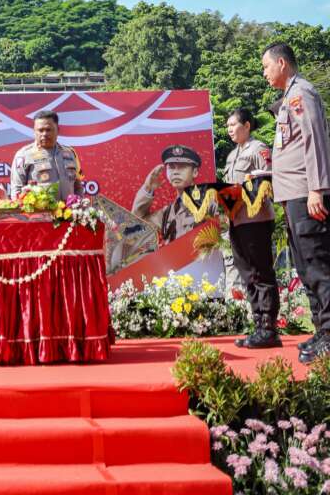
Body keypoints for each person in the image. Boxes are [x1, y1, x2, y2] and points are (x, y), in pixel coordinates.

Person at [263, 41, 330, 364]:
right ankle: (322, 331)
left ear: (281, 63)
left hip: (307, 194)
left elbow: (315, 139)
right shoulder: (288, 97)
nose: (264, 73)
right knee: (304, 268)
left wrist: (318, 188)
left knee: (318, 266)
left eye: (266, 66)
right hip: (292, 197)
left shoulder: (300, 93)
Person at [222, 109, 281, 349]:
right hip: (236, 221)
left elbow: (268, 177)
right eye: (227, 125)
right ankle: (258, 325)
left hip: (255, 219)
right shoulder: (231, 155)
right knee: (247, 273)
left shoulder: (258, 149)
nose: (229, 129)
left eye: (233, 124)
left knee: (260, 271)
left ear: (247, 125)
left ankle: (269, 327)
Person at [132, 144, 212, 243]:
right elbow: (136, 227)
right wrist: (147, 189)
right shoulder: (167, 213)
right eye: (171, 167)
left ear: (195, 172)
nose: (175, 172)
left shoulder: (209, 202)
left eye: (182, 167)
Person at [10, 110, 82, 201]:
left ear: (58, 130)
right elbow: (17, 191)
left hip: (69, 213)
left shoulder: (70, 153)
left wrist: (78, 207)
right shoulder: (23, 155)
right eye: (40, 130)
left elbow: (78, 187)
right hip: (39, 214)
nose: (44, 134)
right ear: (34, 131)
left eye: (48, 130)